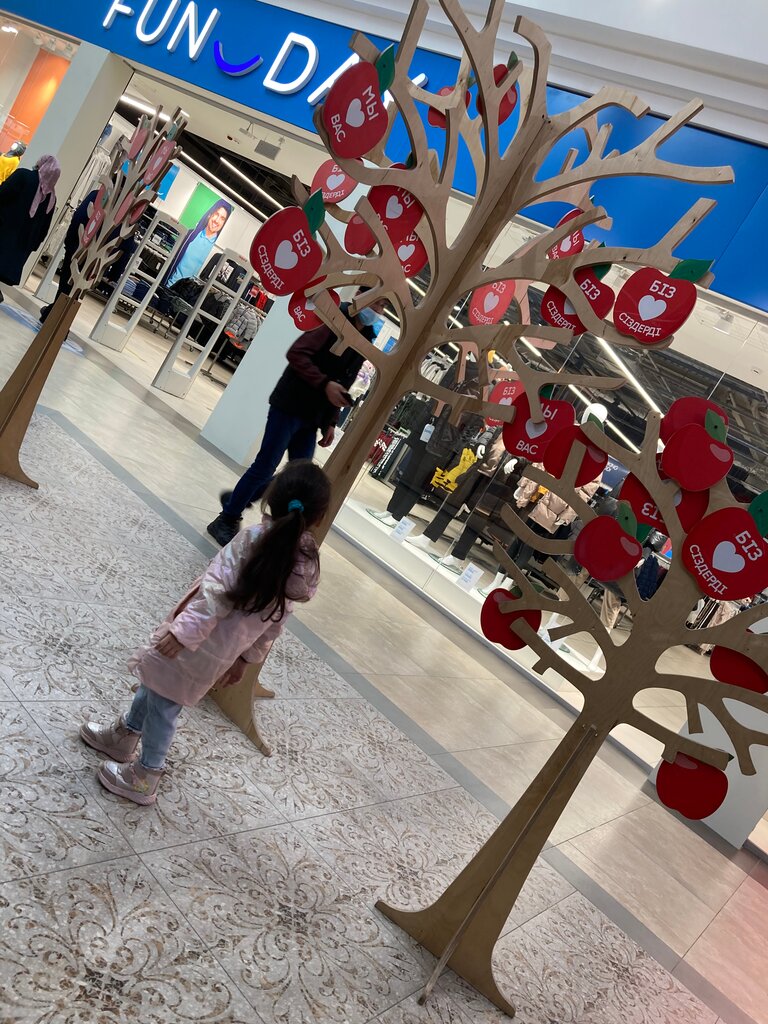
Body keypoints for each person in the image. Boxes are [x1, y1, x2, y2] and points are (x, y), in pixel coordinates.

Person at [79, 459, 331, 805]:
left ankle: (146, 775)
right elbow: (275, 624)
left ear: (270, 499)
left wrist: (183, 633)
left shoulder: (253, 539)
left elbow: (216, 590)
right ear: (318, 518)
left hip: (192, 641)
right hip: (220, 652)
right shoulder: (302, 564)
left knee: (165, 704)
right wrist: (245, 659)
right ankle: (126, 734)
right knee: (156, 684)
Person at [207, 293, 386, 546]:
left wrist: (331, 422)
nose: (378, 309)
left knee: (299, 476)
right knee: (266, 465)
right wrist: (324, 384)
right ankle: (226, 518)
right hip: (289, 404)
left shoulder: (365, 337)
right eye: (377, 302)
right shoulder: (333, 320)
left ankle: (241, 498)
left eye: (383, 305)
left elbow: (344, 381)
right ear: (361, 296)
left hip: (312, 417)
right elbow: (297, 353)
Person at [0, 153, 60, 301]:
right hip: (22, 242)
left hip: (4, 228)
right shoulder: (51, 197)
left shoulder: (23, 176)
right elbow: (44, 226)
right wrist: (34, 244)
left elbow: (2, 195)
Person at [39, 188, 98, 323]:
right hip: (95, 257)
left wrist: (70, 242)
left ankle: (53, 318)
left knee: (66, 284)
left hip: (78, 247)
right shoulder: (123, 208)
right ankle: (55, 318)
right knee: (74, 290)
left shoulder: (97, 195)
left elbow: (78, 217)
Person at [165, 200, 232, 286]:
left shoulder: (217, 251)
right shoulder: (190, 235)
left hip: (190, 293)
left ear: (224, 224)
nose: (217, 220)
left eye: (222, 218)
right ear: (210, 214)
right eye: (216, 214)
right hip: (169, 286)